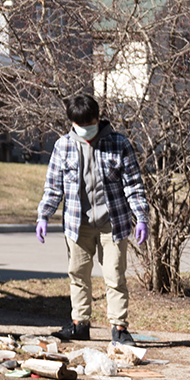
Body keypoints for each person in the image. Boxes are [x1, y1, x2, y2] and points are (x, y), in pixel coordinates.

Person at [34, 93, 150, 344]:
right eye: (79, 126)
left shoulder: (120, 144)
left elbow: (133, 184)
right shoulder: (63, 146)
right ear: (72, 124)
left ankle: (119, 328)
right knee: (77, 273)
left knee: (114, 275)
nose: (85, 130)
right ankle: (79, 324)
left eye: (89, 125)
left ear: (98, 118)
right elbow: (54, 187)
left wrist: (141, 216)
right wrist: (43, 215)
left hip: (113, 223)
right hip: (78, 223)